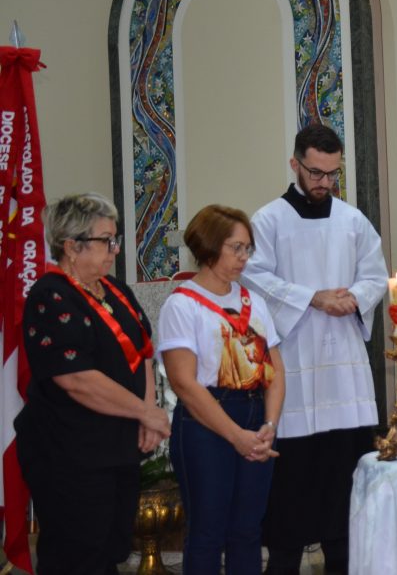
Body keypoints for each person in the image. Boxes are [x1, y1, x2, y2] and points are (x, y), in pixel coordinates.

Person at [241, 124, 388, 575]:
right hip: (295, 368)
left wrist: (355, 298)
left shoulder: (352, 220)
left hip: (343, 369)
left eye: (331, 173)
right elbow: (253, 276)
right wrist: (313, 298)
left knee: (343, 483)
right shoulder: (267, 221)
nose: (324, 182)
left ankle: (343, 564)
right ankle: (284, 564)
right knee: (293, 490)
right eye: (316, 172)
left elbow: (376, 275)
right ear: (295, 165)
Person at [15, 192, 170, 574]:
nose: (114, 250)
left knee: (111, 550)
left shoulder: (115, 290)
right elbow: (77, 379)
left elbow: (143, 353)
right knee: (77, 554)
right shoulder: (50, 296)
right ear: (71, 246)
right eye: (106, 240)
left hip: (118, 445)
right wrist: (146, 413)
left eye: (114, 239)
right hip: (70, 452)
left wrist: (146, 412)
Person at [157, 205, 285, 573]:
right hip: (207, 423)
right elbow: (184, 382)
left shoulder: (254, 302)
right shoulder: (182, 304)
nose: (244, 258)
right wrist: (235, 436)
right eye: (236, 248)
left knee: (247, 531)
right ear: (210, 247)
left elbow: (275, 370)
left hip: (256, 418)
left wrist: (269, 427)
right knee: (208, 532)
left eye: (248, 248)